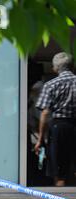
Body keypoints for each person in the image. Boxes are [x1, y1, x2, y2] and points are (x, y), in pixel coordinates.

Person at [35, 52, 76, 187]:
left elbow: (45, 113)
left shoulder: (51, 85)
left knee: (59, 172)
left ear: (55, 68)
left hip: (59, 128)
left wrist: (40, 139)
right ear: (73, 66)